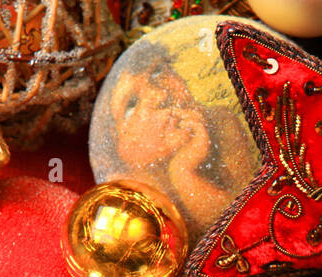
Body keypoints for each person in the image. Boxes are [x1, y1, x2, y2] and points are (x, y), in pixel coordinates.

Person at [104, 43, 260, 234]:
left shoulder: (219, 123)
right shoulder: (123, 193)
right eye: (132, 104)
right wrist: (183, 172)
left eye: (158, 72)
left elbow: (248, 222)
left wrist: (183, 172)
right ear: (118, 142)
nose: (160, 95)